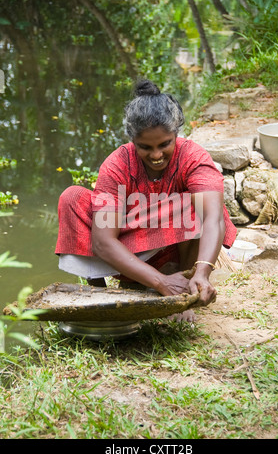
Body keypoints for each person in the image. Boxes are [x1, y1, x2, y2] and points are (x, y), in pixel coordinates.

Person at [55, 79, 237, 321]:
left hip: (173, 253)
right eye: (145, 147)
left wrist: (202, 273)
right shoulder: (117, 165)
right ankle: (97, 292)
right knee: (72, 197)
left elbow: (213, 218)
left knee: (201, 204)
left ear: (176, 133)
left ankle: (184, 288)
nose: (156, 155)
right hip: (124, 254)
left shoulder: (193, 157)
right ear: (132, 140)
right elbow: (103, 242)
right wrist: (159, 281)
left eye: (165, 144)